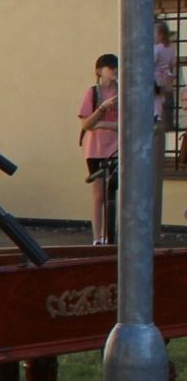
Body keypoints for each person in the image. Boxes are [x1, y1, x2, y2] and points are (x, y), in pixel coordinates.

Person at [77, 52, 120, 244]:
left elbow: (125, 124)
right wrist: (102, 108)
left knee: (115, 191)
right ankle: (98, 237)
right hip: (95, 149)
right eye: (111, 67)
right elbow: (86, 124)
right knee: (99, 194)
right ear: (99, 71)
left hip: (117, 147)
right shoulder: (93, 93)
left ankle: (113, 234)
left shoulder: (122, 91)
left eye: (117, 67)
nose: (115, 71)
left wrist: (102, 124)